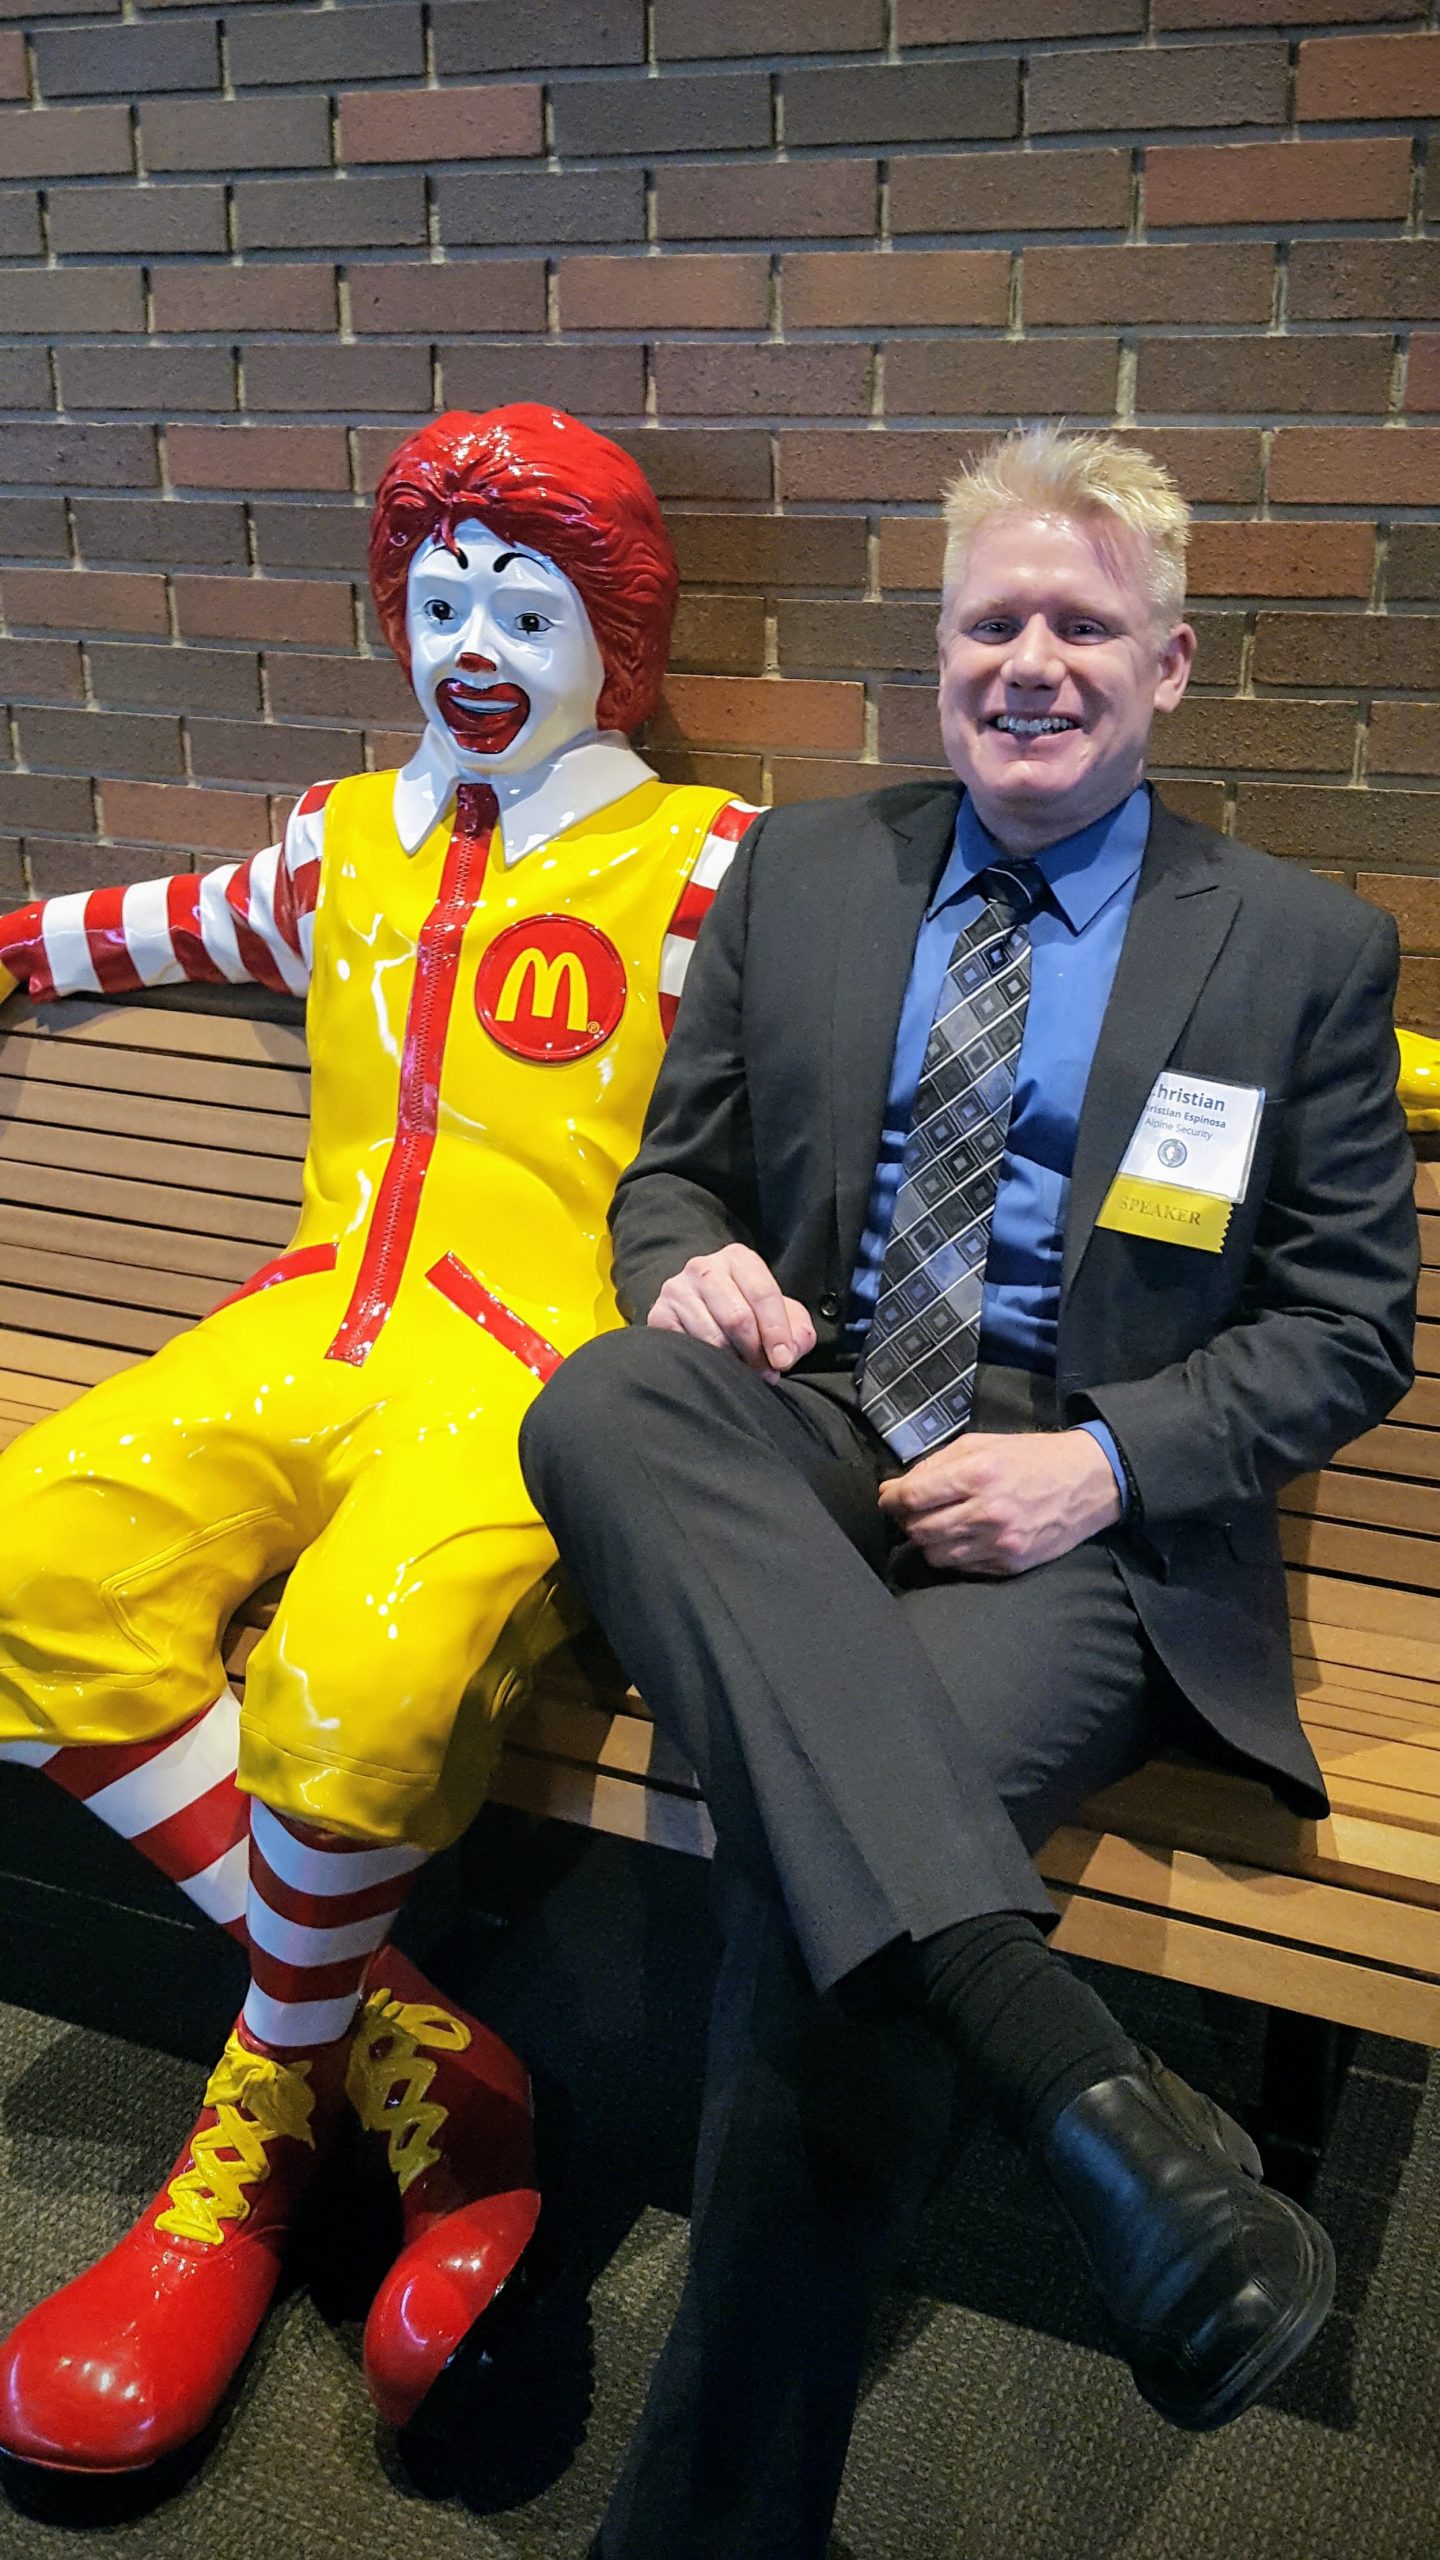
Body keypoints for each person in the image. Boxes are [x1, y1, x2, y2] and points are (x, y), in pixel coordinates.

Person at [519, 426, 1420, 2558]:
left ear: (1170, 663)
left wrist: (1101, 1457)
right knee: (598, 1403)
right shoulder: (803, 873)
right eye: (990, 621)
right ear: (937, 653)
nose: (1031, 661)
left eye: (1081, 624)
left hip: (1077, 1505)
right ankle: (1068, 2067)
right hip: (814, 1415)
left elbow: (1347, 1329)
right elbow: (675, 1169)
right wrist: (686, 1262)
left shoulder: (1299, 948)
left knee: (823, 1897)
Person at [0, 404, 754, 2475]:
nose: (474, 640)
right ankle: (424, 2047)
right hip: (305, 1332)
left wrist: (1342, 1058)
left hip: (534, 1383)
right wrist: (10, 946)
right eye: (438, 601)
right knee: (23, 1561)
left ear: (619, 632)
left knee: (353, 1676)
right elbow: (148, 924)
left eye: (528, 599)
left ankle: (240, 2151)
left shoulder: (707, 871)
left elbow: (994, 1009)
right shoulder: (344, 843)